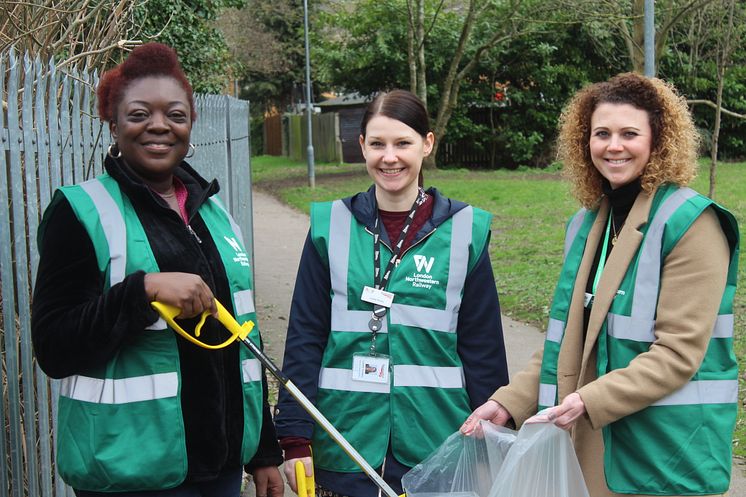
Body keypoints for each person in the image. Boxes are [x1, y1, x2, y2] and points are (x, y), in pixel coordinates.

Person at [461, 72, 739, 497]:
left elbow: (679, 353)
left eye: (629, 133)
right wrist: (509, 402)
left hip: (668, 448)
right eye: (601, 133)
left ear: (658, 140)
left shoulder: (693, 223)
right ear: (583, 141)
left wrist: (587, 400)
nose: (613, 146)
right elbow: (566, 341)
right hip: (597, 444)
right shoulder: (588, 223)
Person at [31, 43, 284, 497]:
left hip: (221, 467)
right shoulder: (80, 211)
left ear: (190, 124)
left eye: (176, 115)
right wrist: (142, 291)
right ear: (113, 122)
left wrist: (264, 451)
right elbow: (53, 346)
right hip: (130, 470)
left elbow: (244, 339)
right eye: (139, 114)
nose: (159, 126)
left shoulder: (214, 213)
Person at [274, 89, 509, 497]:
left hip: (439, 443)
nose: (390, 157)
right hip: (344, 442)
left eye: (403, 143)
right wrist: (295, 438)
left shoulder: (465, 230)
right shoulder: (330, 226)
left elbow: (483, 345)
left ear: (427, 144)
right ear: (361, 146)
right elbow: (304, 337)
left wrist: (491, 443)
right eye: (378, 144)